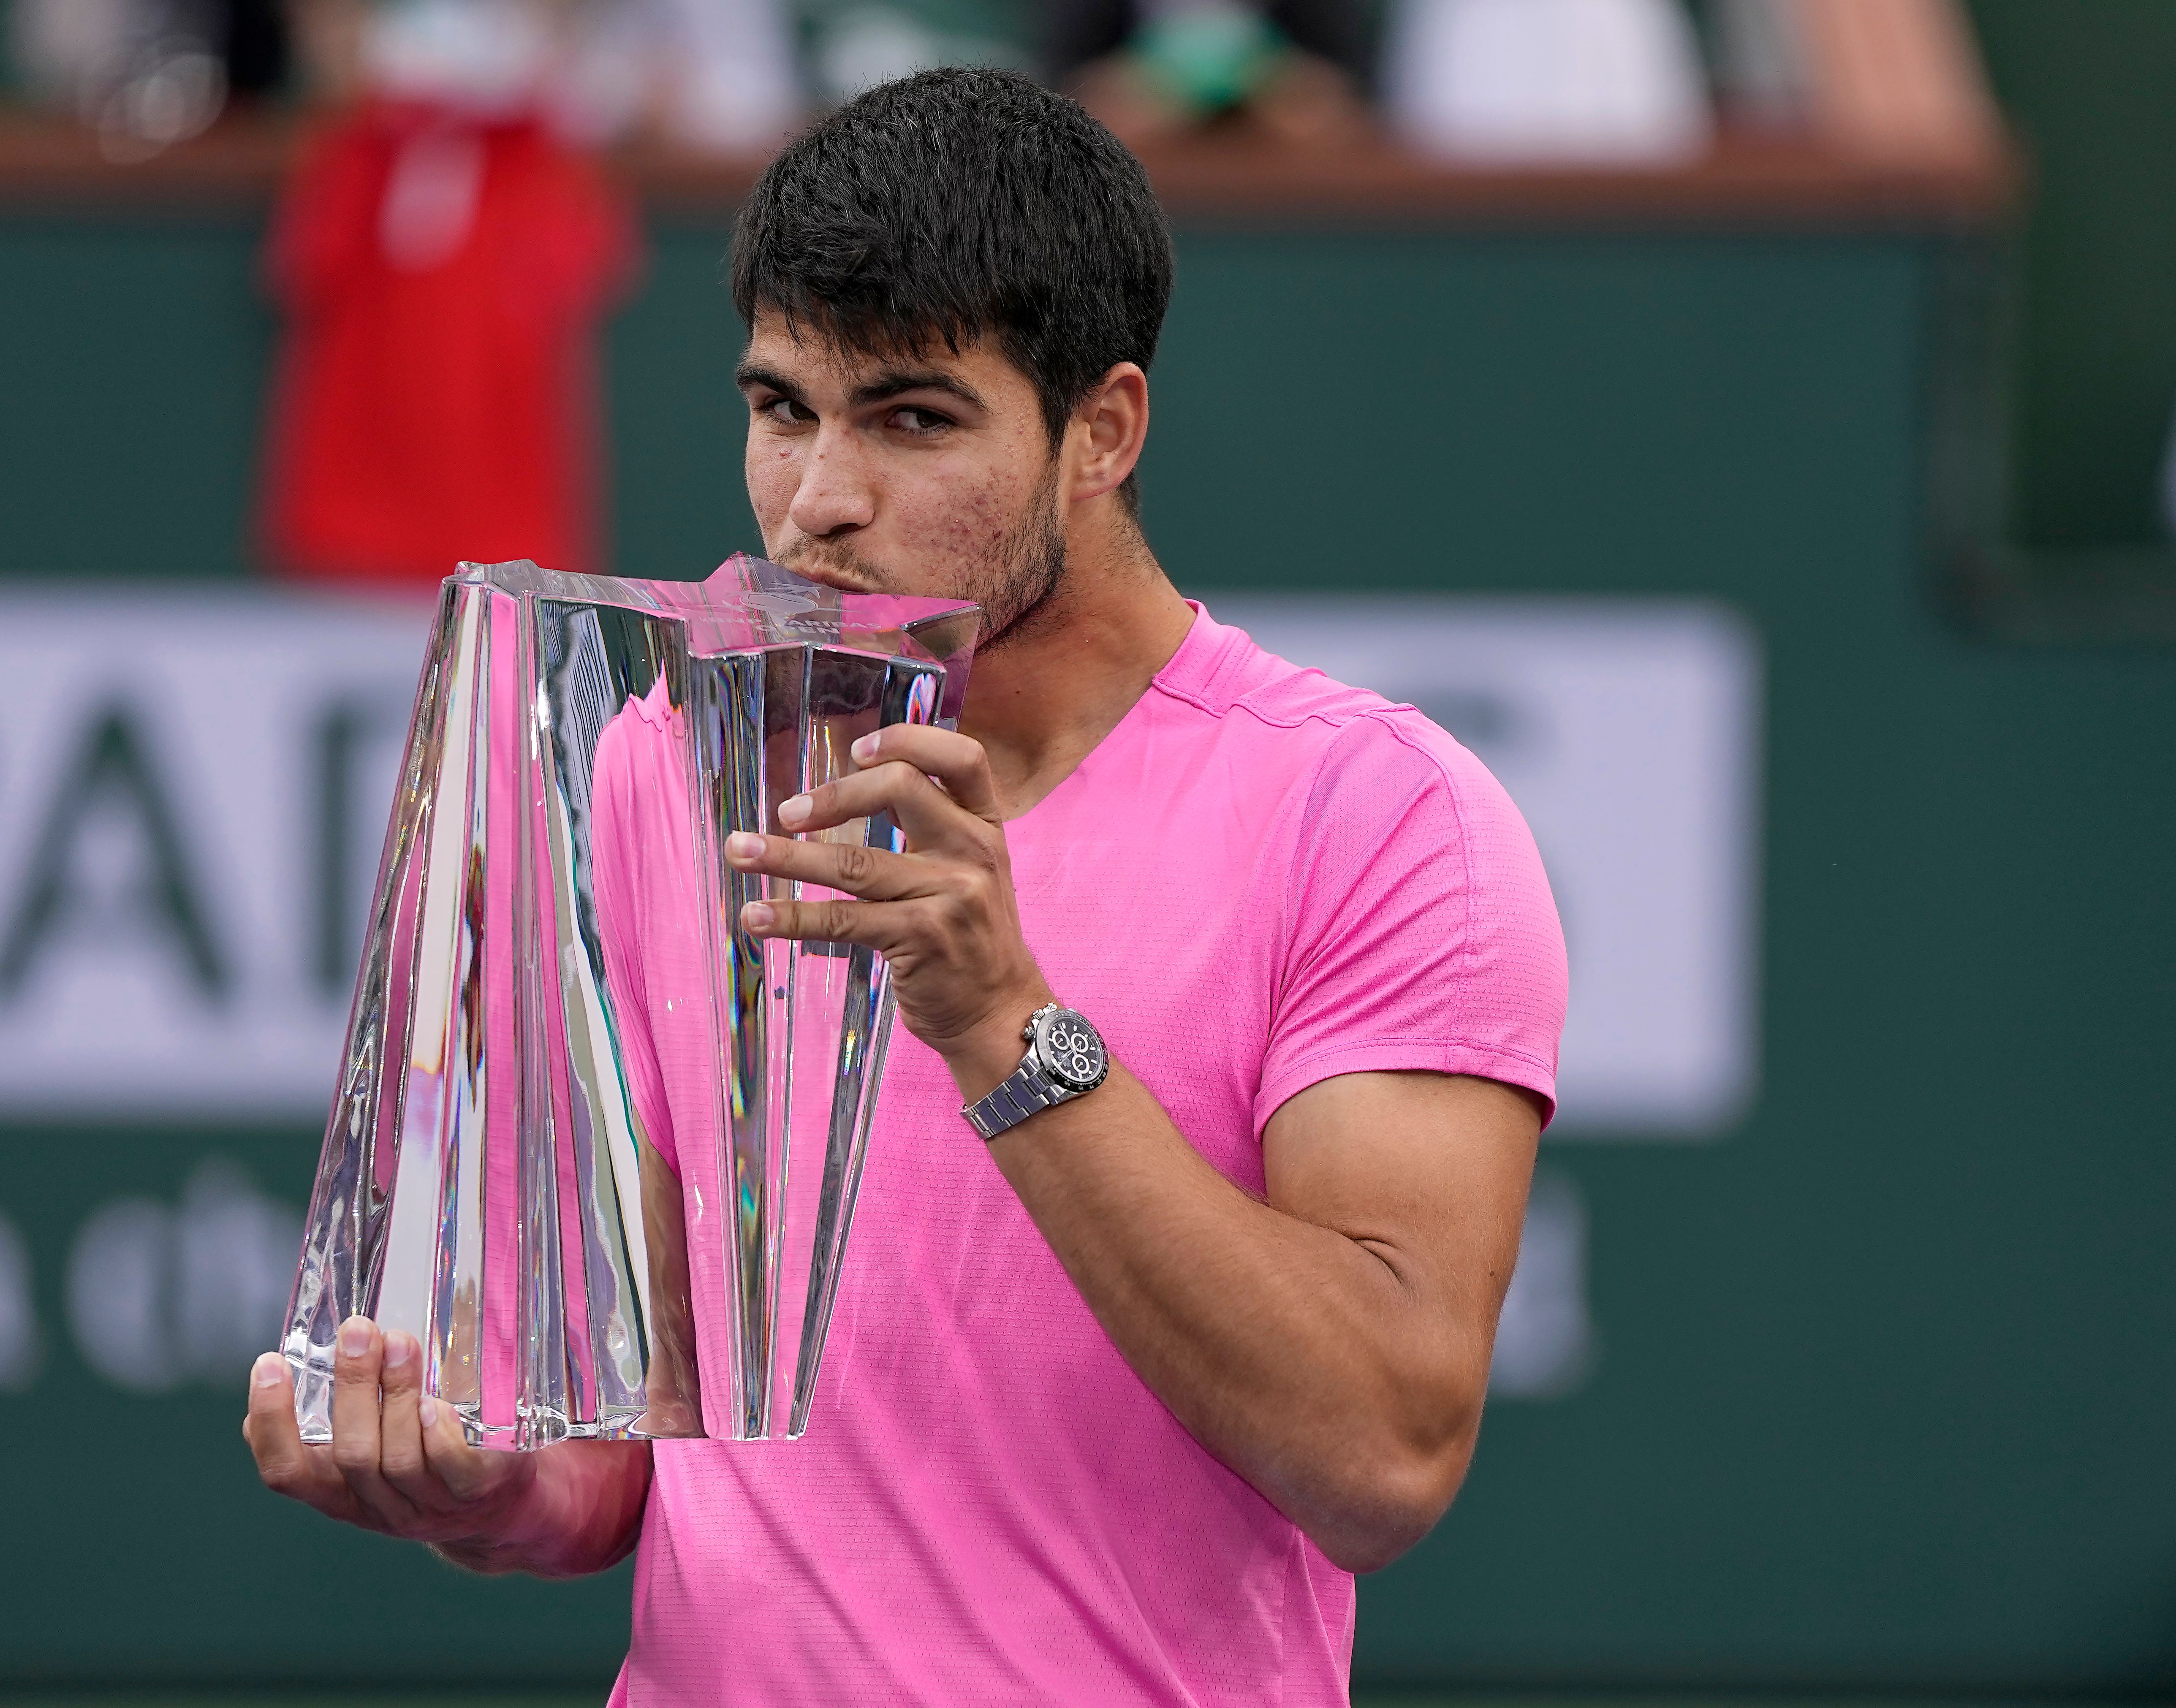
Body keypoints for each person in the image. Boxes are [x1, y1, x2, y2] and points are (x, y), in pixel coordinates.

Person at [244, 65, 1567, 1705]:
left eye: (911, 418)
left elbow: (1377, 1452)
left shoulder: (1378, 818)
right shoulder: (670, 756)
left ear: (1102, 429)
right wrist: (472, 1478)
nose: (817, 501)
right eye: (780, 407)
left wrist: (1010, 1028)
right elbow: (626, 1437)